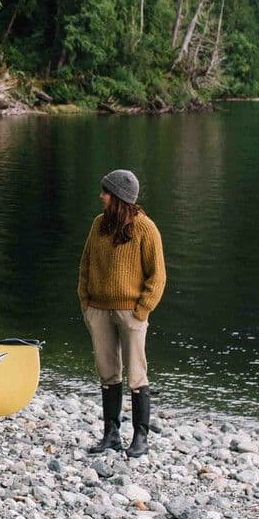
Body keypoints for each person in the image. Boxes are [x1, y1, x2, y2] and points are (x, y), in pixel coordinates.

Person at [77, 169, 166, 458]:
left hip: (131, 313)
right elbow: (85, 264)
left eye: (106, 192)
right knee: (107, 373)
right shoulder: (98, 225)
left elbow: (158, 276)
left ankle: (141, 438)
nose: (101, 196)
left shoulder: (145, 228)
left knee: (136, 374)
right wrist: (86, 303)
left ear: (118, 198)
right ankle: (111, 435)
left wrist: (142, 310)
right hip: (98, 311)